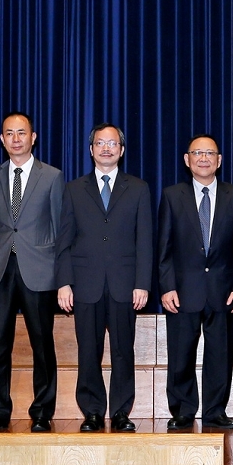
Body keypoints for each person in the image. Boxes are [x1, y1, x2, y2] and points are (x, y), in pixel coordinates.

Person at [56, 124, 152, 433]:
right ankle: (93, 412)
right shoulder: (73, 189)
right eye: (100, 143)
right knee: (88, 350)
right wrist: (64, 282)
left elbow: (144, 240)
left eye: (112, 143)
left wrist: (142, 283)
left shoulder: (138, 188)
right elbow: (64, 240)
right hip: (85, 284)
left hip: (125, 284)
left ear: (122, 150)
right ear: (91, 149)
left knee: (124, 350)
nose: (106, 148)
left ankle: (121, 412)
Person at [157, 135, 233, 430]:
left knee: (219, 355)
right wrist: (166, 286)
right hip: (183, 290)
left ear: (219, 160)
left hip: (224, 291)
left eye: (210, 153)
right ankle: (183, 410)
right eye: (197, 153)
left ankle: (215, 411)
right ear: (187, 160)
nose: (203, 158)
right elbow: (164, 247)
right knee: (181, 353)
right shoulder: (173, 195)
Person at [0, 111, 64, 433]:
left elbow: (58, 229)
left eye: (21, 133)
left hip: (39, 271)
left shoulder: (53, 177)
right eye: (9, 134)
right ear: (2, 140)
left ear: (33, 137)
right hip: (0, 269)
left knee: (42, 344)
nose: (16, 139)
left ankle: (42, 410)